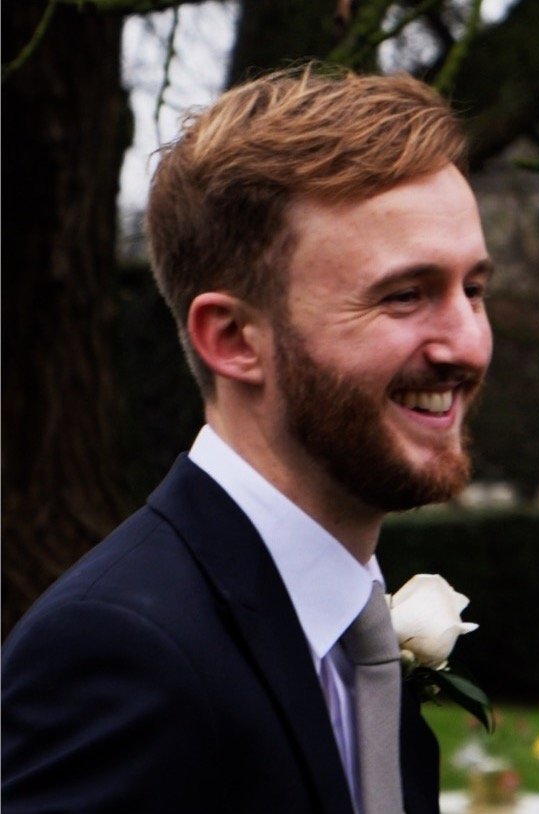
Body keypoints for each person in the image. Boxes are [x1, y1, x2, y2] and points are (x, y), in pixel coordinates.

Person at [2, 67, 492, 814]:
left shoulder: (357, 640)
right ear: (233, 339)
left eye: (475, 290)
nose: (468, 343)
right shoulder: (117, 653)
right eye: (405, 295)